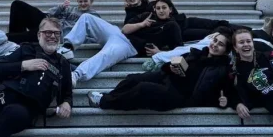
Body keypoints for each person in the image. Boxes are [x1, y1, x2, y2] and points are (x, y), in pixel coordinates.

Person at [87, 30, 231, 111]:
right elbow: (167, 66)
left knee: (143, 88)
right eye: (215, 41)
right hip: (168, 78)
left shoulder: (222, 69)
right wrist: (171, 67)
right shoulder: (196, 53)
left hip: (178, 95)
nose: (215, 45)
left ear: (226, 51)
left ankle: (104, 101)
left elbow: (223, 91)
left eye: (220, 44)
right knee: (132, 78)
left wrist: (222, 101)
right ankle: (110, 96)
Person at [66, 0, 184, 87]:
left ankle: (76, 74)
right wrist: (142, 24)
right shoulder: (147, 15)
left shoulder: (172, 26)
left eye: (164, 8)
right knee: (87, 17)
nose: (161, 11)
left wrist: (160, 53)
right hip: (118, 33)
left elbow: (180, 51)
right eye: (158, 8)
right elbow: (125, 29)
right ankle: (66, 48)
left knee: (105, 54)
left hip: (128, 46)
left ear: (170, 9)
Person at [7, 0, 99, 48]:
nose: (83, 4)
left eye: (85, 1)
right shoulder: (71, 9)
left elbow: (95, 37)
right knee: (17, 5)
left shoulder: (93, 16)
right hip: (47, 21)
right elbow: (49, 13)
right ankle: (15, 44)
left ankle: (13, 42)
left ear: (91, 1)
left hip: (53, 33)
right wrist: (61, 7)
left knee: (10, 37)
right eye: (80, 1)